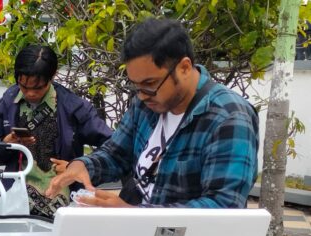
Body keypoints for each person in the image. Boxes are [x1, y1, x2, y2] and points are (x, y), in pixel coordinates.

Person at [45, 18, 259, 208]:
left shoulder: (228, 117)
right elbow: (116, 153)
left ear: (184, 67)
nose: (142, 95)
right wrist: (83, 165)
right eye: (136, 86)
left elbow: (223, 205)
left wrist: (134, 216)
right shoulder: (148, 102)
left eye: (150, 83)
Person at [0, 44, 112, 217]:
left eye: (37, 88)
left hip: (62, 202)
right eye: (23, 86)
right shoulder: (8, 102)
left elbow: (112, 147)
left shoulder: (73, 107)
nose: (30, 93)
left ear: (52, 77)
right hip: (16, 198)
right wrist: (6, 144)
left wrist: (76, 166)